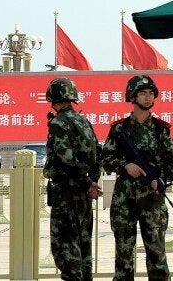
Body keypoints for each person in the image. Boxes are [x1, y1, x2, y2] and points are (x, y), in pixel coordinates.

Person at [101, 75, 173, 281]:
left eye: (150, 93)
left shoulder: (161, 130)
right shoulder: (119, 129)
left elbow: (172, 164)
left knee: (156, 254)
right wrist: (125, 166)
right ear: (132, 97)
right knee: (124, 255)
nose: (147, 97)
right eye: (142, 93)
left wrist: (161, 180)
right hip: (124, 200)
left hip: (152, 200)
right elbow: (106, 158)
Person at [44, 77, 103, 281]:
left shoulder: (59, 123)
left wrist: (87, 183)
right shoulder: (83, 121)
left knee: (66, 246)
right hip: (84, 195)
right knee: (83, 245)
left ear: (53, 97)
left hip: (67, 193)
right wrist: (92, 183)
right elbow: (98, 153)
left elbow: (65, 158)